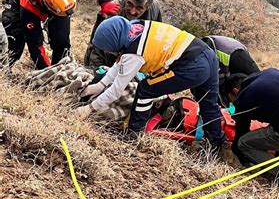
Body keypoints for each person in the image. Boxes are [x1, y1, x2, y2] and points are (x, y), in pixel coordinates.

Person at [77, 16, 226, 149]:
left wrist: (90, 108)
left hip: (191, 66)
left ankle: (134, 133)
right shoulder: (136, 28)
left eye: (108, 49)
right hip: (207, 54)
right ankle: (217, 144)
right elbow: (118, 65)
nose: (108, 53)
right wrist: (99, 86)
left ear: (114, 44)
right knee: (208, 104)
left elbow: (116, 90)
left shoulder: (134, 54)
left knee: (146, 89)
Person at [1, 0, 118, 69]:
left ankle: (60, 67)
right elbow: (36, 47)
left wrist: (104, 2)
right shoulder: (28, 8)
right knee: (14, 42)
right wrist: (46, 73)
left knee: (62, 41)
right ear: (47, 7)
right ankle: (4, 69)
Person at [84, 0, 162, 68]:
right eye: (130, 4)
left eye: (139, 8)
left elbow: (157, 37)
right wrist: (94, 71)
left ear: (148, 7)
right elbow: (97, 47)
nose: (132, 12)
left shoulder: (155, 8)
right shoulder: (112, 11)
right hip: (108, 60)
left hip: (137, 60)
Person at [201, 35, 260, 106]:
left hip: (232, 55)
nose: (231, 103)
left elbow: (258, 82)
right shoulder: (200, 64)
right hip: (207, 56)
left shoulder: (242, 62)